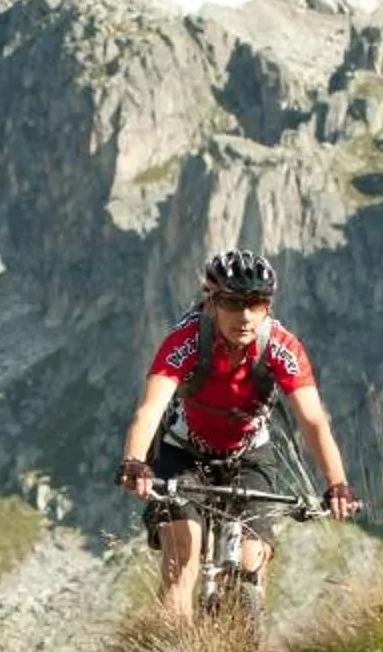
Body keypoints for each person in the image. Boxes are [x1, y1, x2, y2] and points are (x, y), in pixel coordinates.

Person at [115, 248, 363, 622]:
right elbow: (150, 408)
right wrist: (134, 461)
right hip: (183, 452)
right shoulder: (186, 340)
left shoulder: (281, 345)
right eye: (232, 303)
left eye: (257, 303)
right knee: (183, 553)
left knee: (252, 561)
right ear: (211, 302)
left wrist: (337, 483)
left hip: (249, 455)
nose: (245, 316)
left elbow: (313, 419)